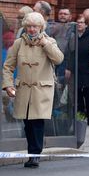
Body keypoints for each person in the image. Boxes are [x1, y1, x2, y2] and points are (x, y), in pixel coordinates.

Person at [2, 12, 64, 168]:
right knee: (27, 123)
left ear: (41, 27)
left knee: (37, 122)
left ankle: (35, 154)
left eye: (34, 26)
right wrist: (8, 85)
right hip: (23, 89)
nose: (31, 29)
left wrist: (45, 44)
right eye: (28, 26)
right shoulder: (18, 43)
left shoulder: (49, 41)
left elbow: (58, 59)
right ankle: (32, 153)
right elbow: (8, 66)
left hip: (41, 90)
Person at [67, 15, 89, 126]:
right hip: (77, 68)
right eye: (77, 22)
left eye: (81, 22)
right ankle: (80, 116)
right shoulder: (73, 37)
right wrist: (69, 68)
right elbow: (71, 53)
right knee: (78, 94)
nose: (79, 25)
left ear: (86, 24)